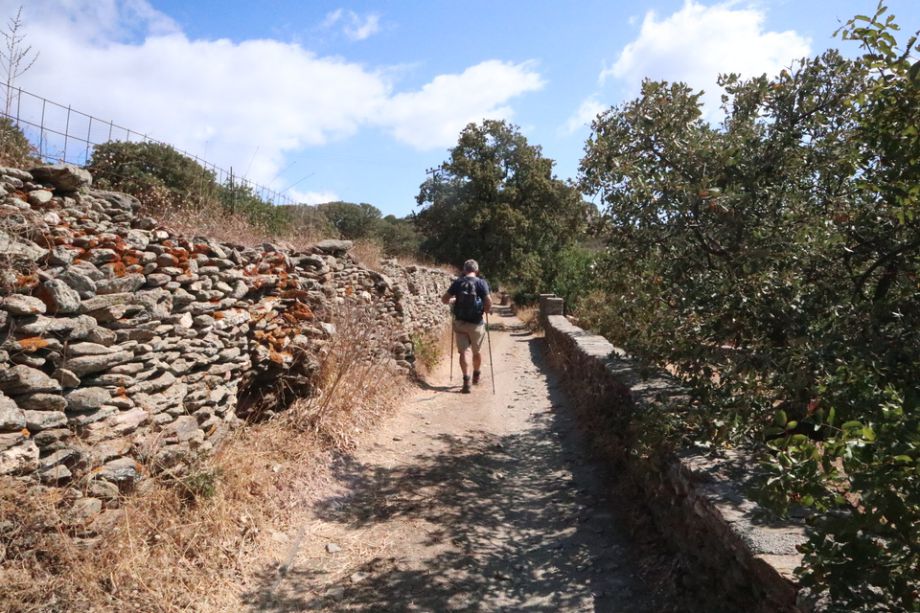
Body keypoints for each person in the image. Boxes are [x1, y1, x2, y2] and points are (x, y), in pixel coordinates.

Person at [442, 259, 492, 393]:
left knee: (464, 351)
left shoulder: (458, 282)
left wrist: (454, 300)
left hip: (460, 323)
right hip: (477, 323)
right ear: (477, 270)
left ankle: (466, 380)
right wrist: (486, 310)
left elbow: (444, 299)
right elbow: (488, 301)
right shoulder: (482, 283)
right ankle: (476, 373)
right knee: (476, 352)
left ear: (464, 270)